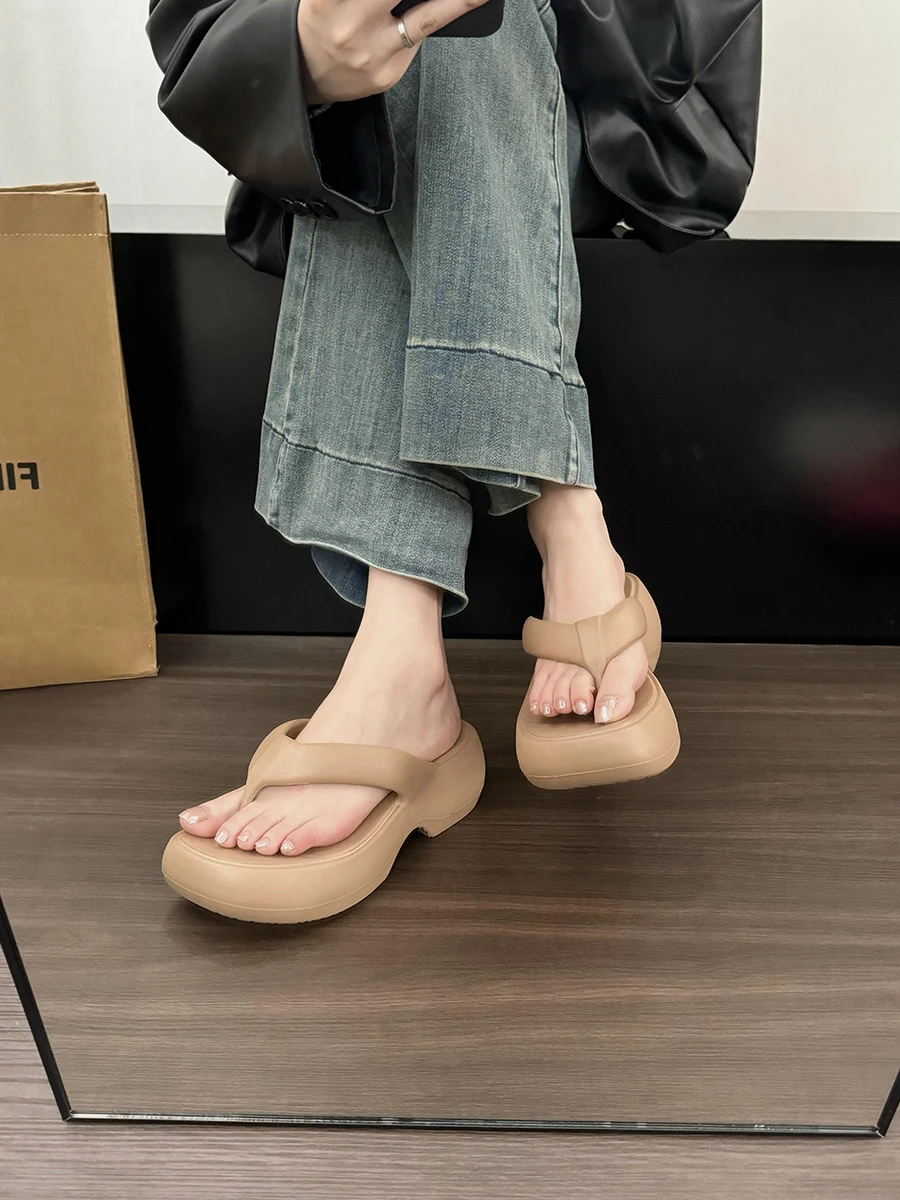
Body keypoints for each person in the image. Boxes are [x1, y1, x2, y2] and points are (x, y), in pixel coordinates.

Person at [148, 0, 754, 922]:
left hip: (616, 114)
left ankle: (405, 658)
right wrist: (300, 43)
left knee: (462, 26)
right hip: (342, 113)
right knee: (403, 48)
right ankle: (567, 520)